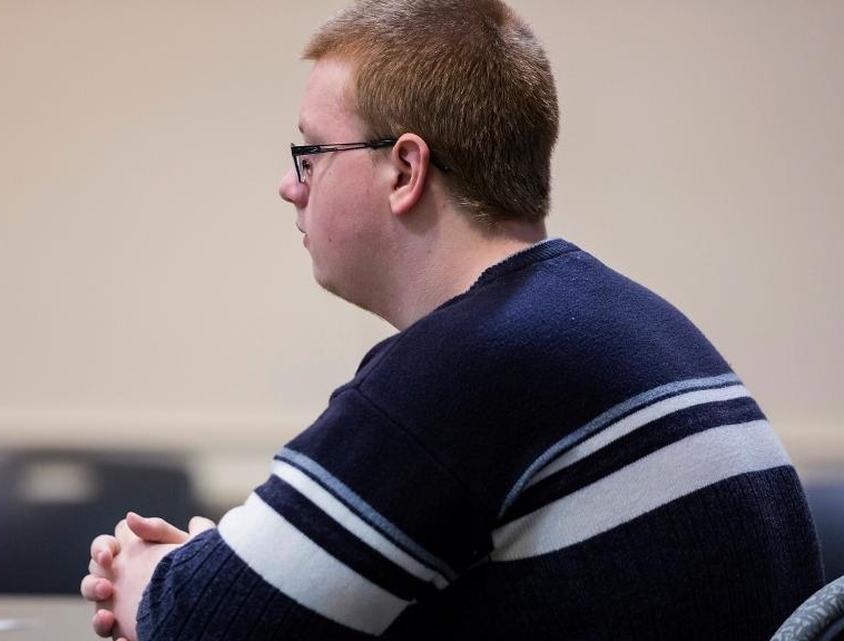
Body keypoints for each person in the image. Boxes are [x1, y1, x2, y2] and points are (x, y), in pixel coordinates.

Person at [81, 0, 824, 639]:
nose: (289, 185)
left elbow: (200, 623)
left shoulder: (470, 363)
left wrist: (149, 575)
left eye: (311, 153)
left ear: (405, 171)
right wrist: (230, 570)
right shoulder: (629, 321)